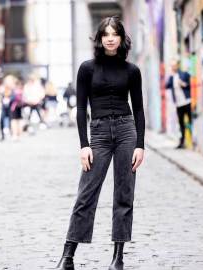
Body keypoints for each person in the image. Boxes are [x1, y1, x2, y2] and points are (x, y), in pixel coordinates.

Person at [56, 16, 145, 270]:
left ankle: (118, 257)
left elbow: (138, 110)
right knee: (86, 193)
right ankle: (68, 256)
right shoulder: (87, 68)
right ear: (99, 38)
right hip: (99, 133)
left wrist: (141, 145)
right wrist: (84, 145)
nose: (110, 38)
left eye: (114, 33)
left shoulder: (132, 71)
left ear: (120, 38)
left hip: (127, 131)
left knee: (124, 193)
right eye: (105, 34)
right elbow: (81, 108)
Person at [165, 59, 192, 149]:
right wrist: (170, 76)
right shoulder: (172, 77)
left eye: (174, 65)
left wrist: (183, 84)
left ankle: (192, 140)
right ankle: (182, 142)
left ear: (177, 66)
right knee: (181, 123)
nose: (173, 67)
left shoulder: (184, 74)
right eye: (171, 66)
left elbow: (189, 84)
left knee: (190, 120)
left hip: (187, 101)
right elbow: (167, 86)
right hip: (178, 104)